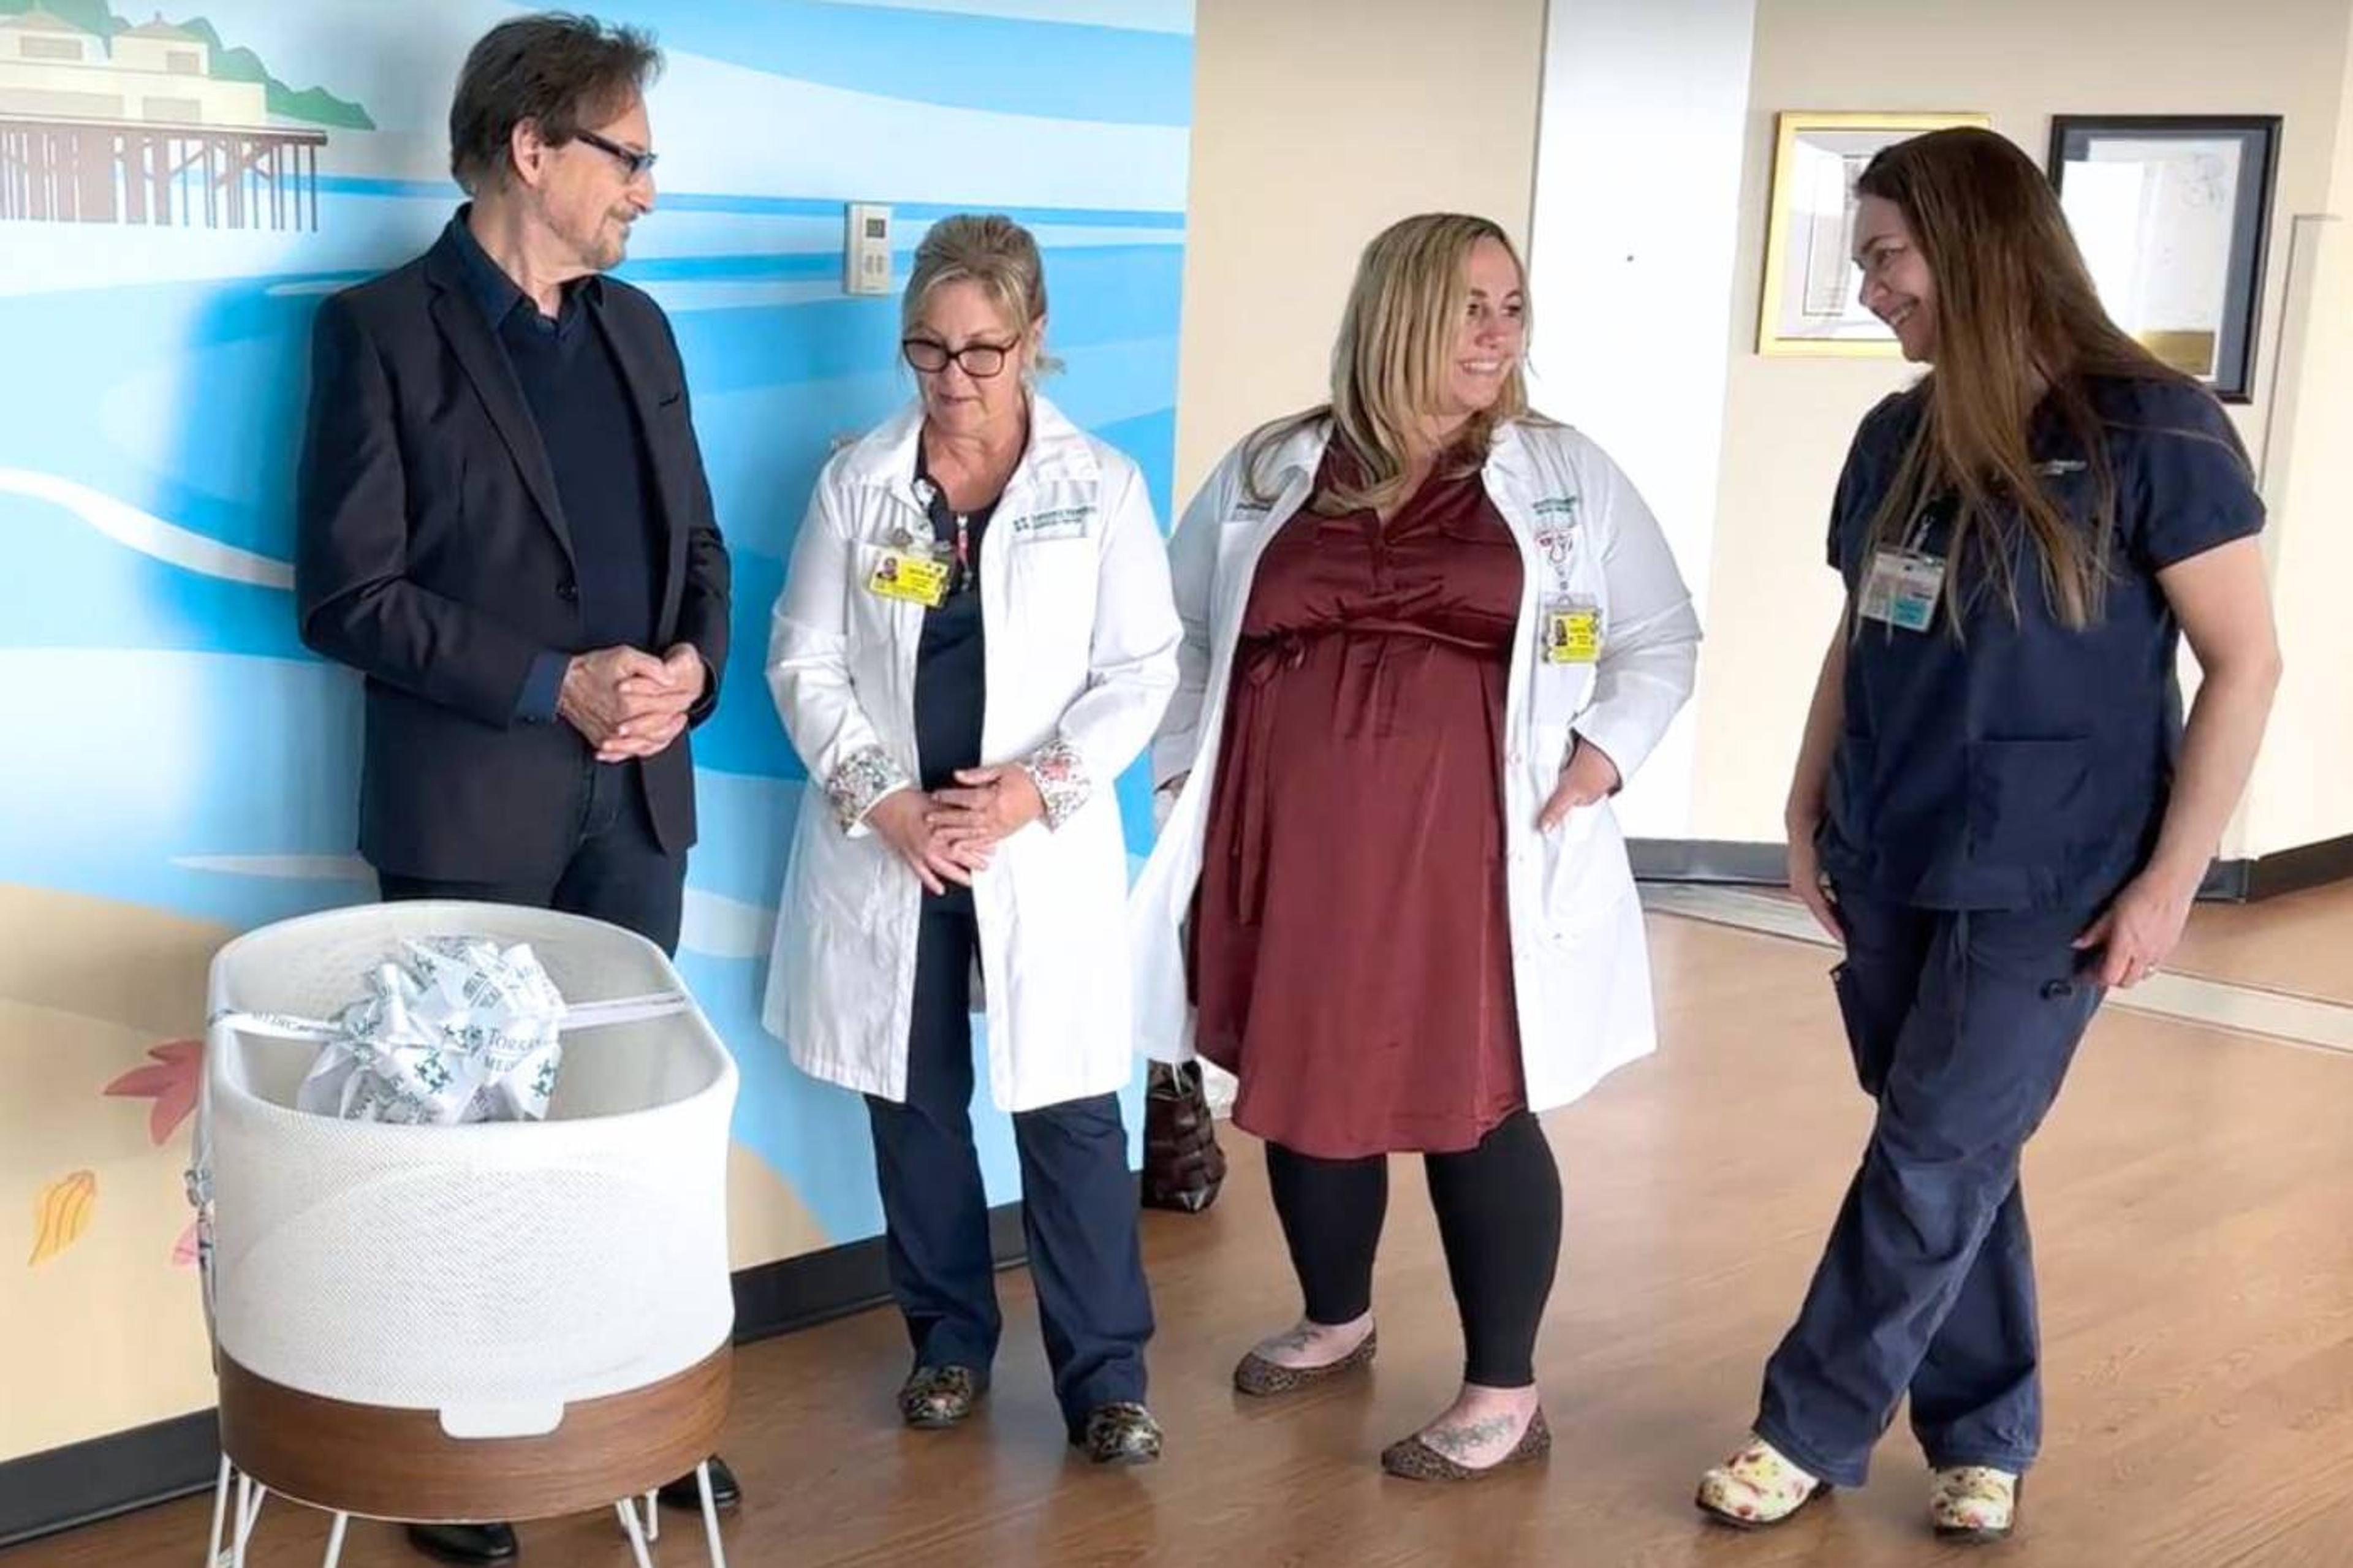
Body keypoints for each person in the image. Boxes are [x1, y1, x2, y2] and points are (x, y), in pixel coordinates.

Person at [1694, 127, 2281, 1542]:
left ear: (1974, 244)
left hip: (2060, 872)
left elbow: (2247, 663)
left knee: (1937, 1145)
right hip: (1894, 839)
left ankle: (1805, 1425)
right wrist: (1802, 795)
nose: (1873, 289)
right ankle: (1988, 1428)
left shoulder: (2155, 425)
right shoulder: (1897, 433)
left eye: (1887, 257)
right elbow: (1864, 625)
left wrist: (2169, 884)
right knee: (1949, 1142)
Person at [1128, 213, 1702, 1479]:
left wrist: (1602, 756)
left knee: (1472, 1100)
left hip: (1471, 853)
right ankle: (1338, 1317)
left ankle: (1505, 1384)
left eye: (1512, 305)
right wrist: (1180, 767)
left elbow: (1661, 635)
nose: (1500, 332)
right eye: (1470, 307)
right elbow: (1171, 628)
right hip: (1288, 837)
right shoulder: (1276, 465)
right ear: (1396, 316)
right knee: (1308, 1083)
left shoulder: (1565, 473)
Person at [294, 14, 734, 1563]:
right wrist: (552, 679)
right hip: (472, 813)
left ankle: (639, 1423)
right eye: (630, 156)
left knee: (627, 1129)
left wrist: (688, 667)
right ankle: (462, 1463)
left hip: (642, 800)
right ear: (532, 149)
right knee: (464, 1138)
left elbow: (700, 551)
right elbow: (347, 593)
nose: (649, 193)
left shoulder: (644, 330)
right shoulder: (381, 331)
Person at [763, 215, 1179, 1465]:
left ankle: (1105, 1374)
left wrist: (1031, 791)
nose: (954, 381)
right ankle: (947, 1341)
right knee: (917, 1101)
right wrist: (886, 799)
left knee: (1067, 1109)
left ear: (1036, 340)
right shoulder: (859, 481)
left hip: (1026, 843)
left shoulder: (1098, 487)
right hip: (895, 842)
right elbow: (807, 656)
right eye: (929, 351)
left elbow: (1141, 667)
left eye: (985, 352)